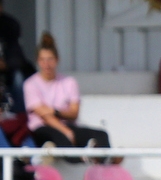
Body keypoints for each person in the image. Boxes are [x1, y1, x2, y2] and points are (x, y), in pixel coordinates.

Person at [23, 33, 113, 162]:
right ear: (38, 61)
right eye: (43, 60)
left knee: (101, 134)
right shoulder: (30, 84)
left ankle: (105, 159)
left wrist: (55, 111)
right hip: (42, 128)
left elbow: (74, 113)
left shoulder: (69, 82)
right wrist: (65, 129)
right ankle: (85, 158)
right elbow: (45, 116)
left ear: (57, 60)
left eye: (50, 59)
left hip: (66, 125)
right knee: (60, 137)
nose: (46, 64)